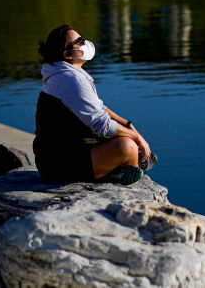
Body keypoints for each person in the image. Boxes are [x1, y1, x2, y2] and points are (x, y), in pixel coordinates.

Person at [33, 24, 155, 185]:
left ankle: (124, 167)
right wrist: (137, 138)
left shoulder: (63, 74)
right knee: (127, 146)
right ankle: (124, 169)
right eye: (80, 41)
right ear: (67, 54)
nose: (85, 43)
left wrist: (128, 125)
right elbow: (101, 124)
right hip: (59, 166)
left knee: (126, 139)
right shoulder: (70, 79)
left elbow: (99, 107)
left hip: (59, 157)